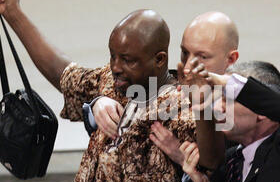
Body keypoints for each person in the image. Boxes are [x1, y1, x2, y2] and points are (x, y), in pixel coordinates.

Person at [0, 0, 201, 182]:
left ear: (159, 59)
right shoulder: (110, 83)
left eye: (128, 59)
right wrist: (14, 14)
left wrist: (186, 157)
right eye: (113, 56)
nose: (116, 67)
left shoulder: (184, 106)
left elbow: (217, 164)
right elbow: (63, 73)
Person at [83, 11, 240, 164]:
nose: (187, 67)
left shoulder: (238, 107)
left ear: (231, 58)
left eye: (202, 57)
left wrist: (182, 159)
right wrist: (98, 102)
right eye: (185, 53)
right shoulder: (171, 91)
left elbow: (222, 169)